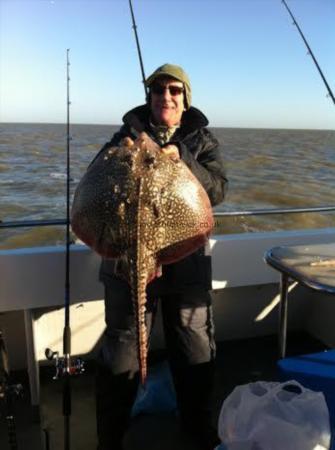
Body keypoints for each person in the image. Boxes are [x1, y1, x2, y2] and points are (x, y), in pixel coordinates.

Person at [95, 63, 228, 450]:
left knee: (193, 346)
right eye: (157, 89)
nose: (165, 96)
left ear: (185, 99)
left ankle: (196, 426)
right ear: (149, 96)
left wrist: (183, 158)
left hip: (185, 262)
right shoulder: (125, 136)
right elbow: (96, 181)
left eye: (173, 90)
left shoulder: (202, 140)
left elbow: (218, 190)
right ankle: (111, 437)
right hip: (127, 259)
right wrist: (122, 156)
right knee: (122, 351)